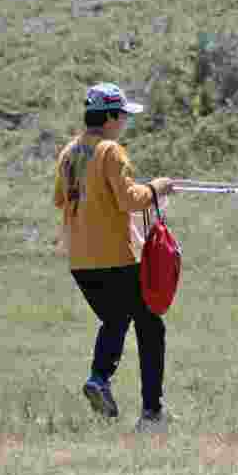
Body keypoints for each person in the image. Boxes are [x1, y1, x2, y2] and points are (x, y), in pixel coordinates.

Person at [53, 82, 175, 433]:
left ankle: (99, 379)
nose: (125, 122)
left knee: (116, 319)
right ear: (109, 118)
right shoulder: (111, 151)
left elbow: (62, 199)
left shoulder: (68, 152)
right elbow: (129, 201)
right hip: (116, 257)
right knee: (151, 325)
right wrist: (157, 188)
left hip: (80, 261)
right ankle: (152, 414)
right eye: (122, 116)